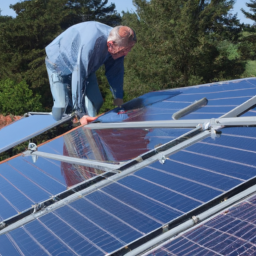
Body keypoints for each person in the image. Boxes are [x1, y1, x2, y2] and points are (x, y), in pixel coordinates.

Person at [45, 21, 136, 125]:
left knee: (96, 102)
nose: (126, 53)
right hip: (58, 66)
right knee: (61, 107)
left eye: (129, 49)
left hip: (86, 68)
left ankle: (86, 127)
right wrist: (80, 113)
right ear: (110, 44)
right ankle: (58, 123)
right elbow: (78, 74)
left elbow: (116, 75)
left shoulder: (118, 42)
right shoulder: (90, 43)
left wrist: (119, 103)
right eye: (123, 51)